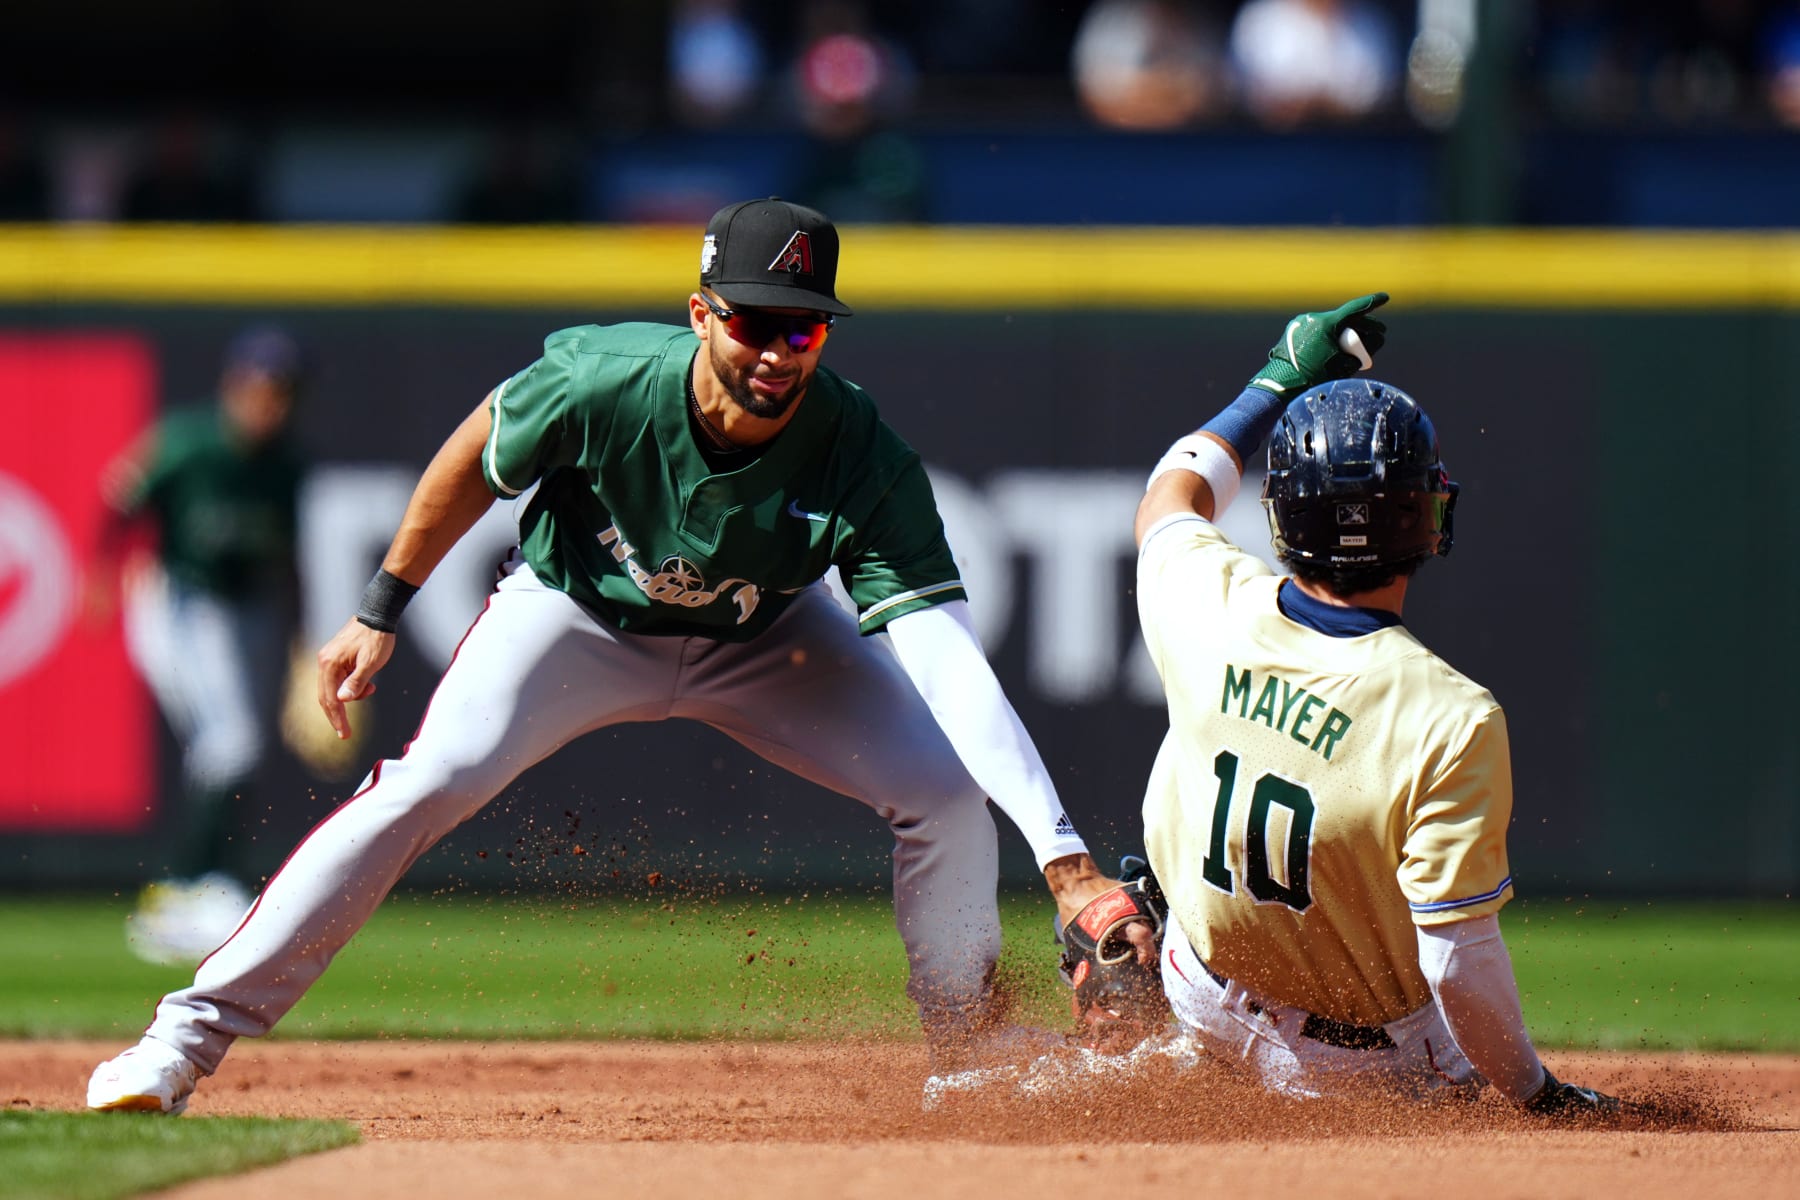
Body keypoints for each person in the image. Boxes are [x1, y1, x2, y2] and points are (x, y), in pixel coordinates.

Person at [86, 197, 1139, 1116]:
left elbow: (944, 658)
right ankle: (183, 1039)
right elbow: (477, 453)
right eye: (754, 323)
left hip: (767, 635)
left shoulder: (856, 445)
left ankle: (966, 1048)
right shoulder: (605, 378)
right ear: (701, 315)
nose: (777, 352)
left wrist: (1064, 862)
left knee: (942, 792)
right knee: (427, 783)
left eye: (805, 329)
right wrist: (381, 604)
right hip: (577, 614)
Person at [1130, 294, 1619, 1114]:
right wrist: (1537, 1094)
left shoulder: (1206, 596)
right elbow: (1457, 960)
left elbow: (1168, 496)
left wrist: (1277, 378)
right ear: (1428, 518)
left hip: (1198, 994)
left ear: (1279, 514)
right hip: (1355, 1070)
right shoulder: (1450, 716)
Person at [96, 327, 307, 967]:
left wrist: (300, 645)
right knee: (230, 742)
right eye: (260, 387)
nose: (269, 402)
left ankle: (212, 881)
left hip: (254, 608)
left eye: (283, 392)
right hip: (181, 599)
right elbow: (119, 497)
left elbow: (288, 556)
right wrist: (99, 574)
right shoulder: (189, 443)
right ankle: (178, 890)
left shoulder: (286, 464)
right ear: (233, 386)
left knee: (243, 749)